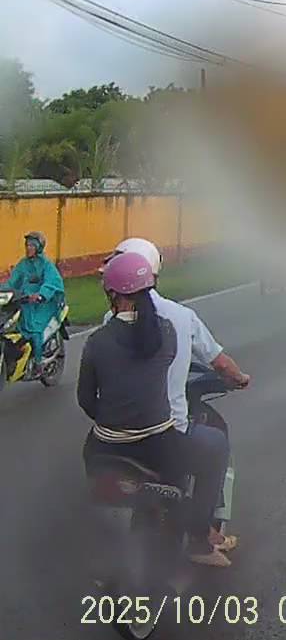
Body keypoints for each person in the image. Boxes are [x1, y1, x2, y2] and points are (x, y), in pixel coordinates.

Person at [79, 252, 232, 567]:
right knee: (215, 447)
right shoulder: (168, 332)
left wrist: (115, 421)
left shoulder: (97, 340)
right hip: (159, 446)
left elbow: (86, 399)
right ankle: (199, 539)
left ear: (111, 294)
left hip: (102, 447)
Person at [4, 232, 66, 382]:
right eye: (27, 245)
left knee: (35, 331)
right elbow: (12, 282)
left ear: (39, 247)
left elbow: (52, 282)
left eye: (32, 245)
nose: (28, 248)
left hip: (43, 305)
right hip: (25, 302)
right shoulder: (23, 264)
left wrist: (41, 295)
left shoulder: (46, 265)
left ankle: (38, 363)